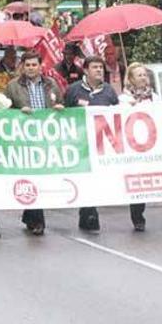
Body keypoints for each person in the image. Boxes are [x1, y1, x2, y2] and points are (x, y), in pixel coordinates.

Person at [4, 51, 65, 235]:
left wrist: (59, 108)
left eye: (34, 65)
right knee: (32, 177)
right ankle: (38, 219)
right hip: (25, 138)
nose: (31, 68)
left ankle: (30, 215)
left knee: (41, 177)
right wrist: (18, 111)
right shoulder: (13, 86)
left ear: (40, 66)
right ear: (22, 66)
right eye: (27, 65)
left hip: (46, 137)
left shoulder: (51, 84)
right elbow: (4, 109)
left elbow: (61, 102)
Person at [65, 55, 118, 232]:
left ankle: (88, 211)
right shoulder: (74, 90)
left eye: (101, 68)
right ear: (86, 70)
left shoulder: (109, 92)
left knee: (96, 178)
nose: (99, 71)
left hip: (102, 145)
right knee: (86, 178)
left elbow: (117, 116)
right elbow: (65, 114)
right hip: (80, 144)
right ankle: (89, 212)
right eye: (95, 67)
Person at [118, 62, 161, 232]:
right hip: (134, 146)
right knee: (138, 181)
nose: (144, 78)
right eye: (139, 75)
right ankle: (137, 216)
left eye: (145, 75)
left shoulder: (155, 97)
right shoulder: (123, 100)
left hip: (154, 144)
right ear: (131, 80)